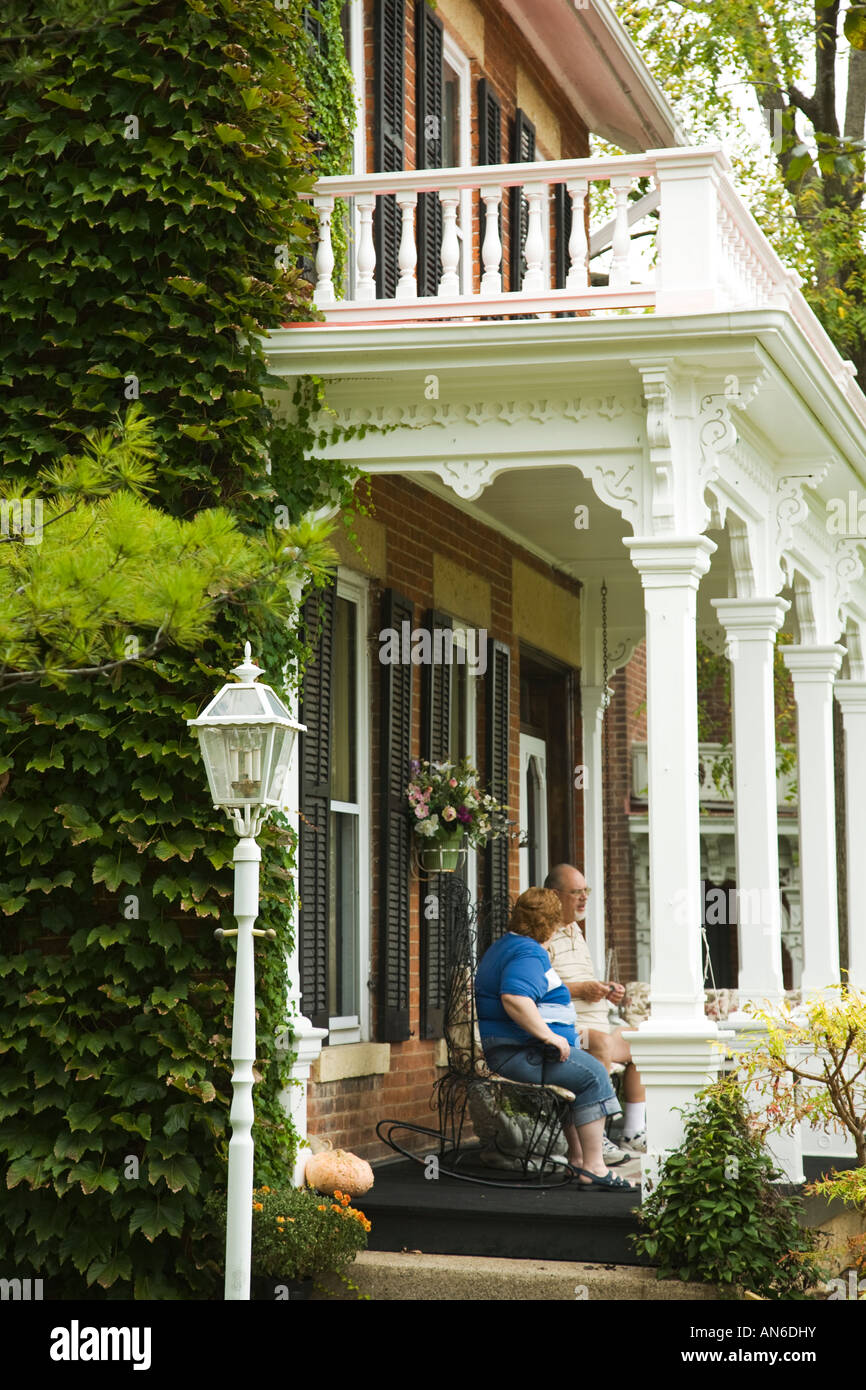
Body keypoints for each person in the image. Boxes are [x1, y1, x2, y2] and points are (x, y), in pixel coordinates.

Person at [474, 886, 634, 1190]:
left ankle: (578, 1160)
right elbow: (515, 998)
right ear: (549, 923)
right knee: (593, 1074)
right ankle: (595, 1167)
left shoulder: (508, 945)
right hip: (519, 1053)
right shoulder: (527, 952)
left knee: (581, 1074)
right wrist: (550, 1036)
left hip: (515, 1049)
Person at [544, 864, 647, 1154]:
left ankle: (632, 1132)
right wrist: (582, 990)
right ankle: (596, 1140)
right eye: (576, 892)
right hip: (568, 1033)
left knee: (642, 1040)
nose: (584, 898)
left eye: (585, 891)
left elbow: (579, 981)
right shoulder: (543, 935)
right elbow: (538, 991)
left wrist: (605, 990)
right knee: (600, 1042)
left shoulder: (576, 930)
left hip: (597, 1024)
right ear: (555, 895)